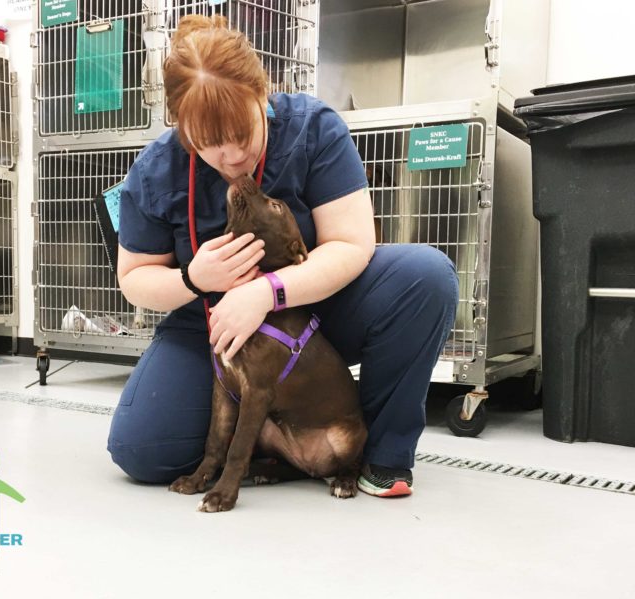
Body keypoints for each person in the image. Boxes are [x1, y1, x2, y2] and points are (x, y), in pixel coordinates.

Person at [106, 15, 458, 497]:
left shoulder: (313, 129)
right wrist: (194, 278)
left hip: (312, 313)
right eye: (208, 145)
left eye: (242, 134)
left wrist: (267, 292)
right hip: (211, 326)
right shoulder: (156, 170)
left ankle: (380, 454)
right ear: (182, 129)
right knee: (142, 452)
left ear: (261, 93)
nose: (231, 158)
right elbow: (135, 278)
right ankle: (275, 441)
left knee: (426, 276)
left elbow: (352, 244)